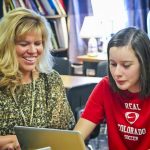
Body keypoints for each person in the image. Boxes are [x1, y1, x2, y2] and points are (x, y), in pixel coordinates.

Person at [0, 8, 75, 150]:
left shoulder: (51, 79)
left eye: (37, 43)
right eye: (24, 44)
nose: (33, 51)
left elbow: (64, 132)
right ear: (6, 45)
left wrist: (23, 141)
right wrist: (15, 140)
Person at [74, 27, 150, 150]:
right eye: (113, 64)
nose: (117, 73)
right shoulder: (105, 86)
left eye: (126, 65)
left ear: (144, 63)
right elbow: (77, 136)